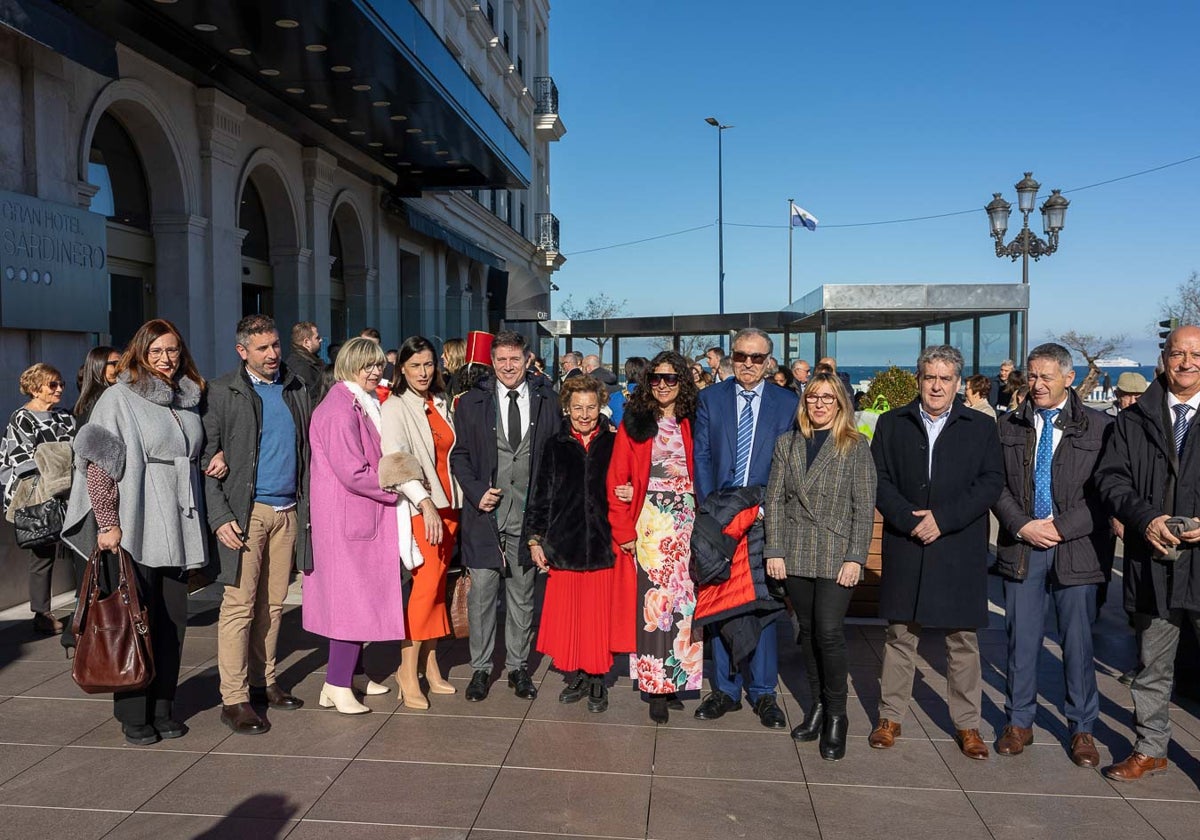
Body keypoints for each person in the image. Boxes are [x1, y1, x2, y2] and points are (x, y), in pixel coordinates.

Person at [62, 319, 210, 746]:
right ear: (140, 352)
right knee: (133, 618)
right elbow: (98, 465)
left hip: (180, 521)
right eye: (157, 351)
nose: (166, 359)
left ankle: (163, 706)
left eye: (173, 351)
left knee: (171, 621)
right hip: (138, 520)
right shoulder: (118, 397)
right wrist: (107, 523)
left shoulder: (187, 397)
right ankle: (133, 713)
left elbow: (192, 448)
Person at [868, 344, 1003, 760]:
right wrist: (911, 520)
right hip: (907, 542)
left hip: (956, 544)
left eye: (946, 379)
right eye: (931, 378)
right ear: (919, 380)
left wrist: (942, 519)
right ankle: (890, 717)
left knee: (962, 641)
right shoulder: (892, 423)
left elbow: (990, 482)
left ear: (958, 383)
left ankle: (967, 725)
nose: (937, 386)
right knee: (900, 636)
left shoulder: (979, 426)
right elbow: (879, 479)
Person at [992, 343, 1113, 767]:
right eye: (1032, 376)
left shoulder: (1099, 427)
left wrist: (1060, 527)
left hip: (1077, 549)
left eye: (1046, 377)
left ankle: (1082, 729)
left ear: (1069, 378)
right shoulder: (1009, 424)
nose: (1037, 385)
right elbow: (995, 483)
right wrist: (1022, 525)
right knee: (1019, 640)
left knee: (1077, 644)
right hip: (1023, 545)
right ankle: (1018, 722)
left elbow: (1105, 494)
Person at [1096, 325, 1200, 781]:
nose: (1186, 362)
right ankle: (1151, 747)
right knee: (1152, 667)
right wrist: (1146, 518)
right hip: (1154, 561)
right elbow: (1110, 480)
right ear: (1164, 359)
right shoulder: (1133, 420)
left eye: (1195, 353)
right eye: (1177, 353)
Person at [204, 315, 313, 735]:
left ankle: (263, 682)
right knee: (238, 607)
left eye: (275, 345)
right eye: (262, 347)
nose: (272, 354)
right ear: (242, 351)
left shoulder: (295, 388)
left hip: (288, 513)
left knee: (273, 605)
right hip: (244, 515)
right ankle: (233, 698)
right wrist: (220, 517)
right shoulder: (221, 392)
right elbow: (206, 459)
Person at [764, 372, 876, 760]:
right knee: (807, 632)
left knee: (829, 633)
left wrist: (855, 558)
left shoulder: (855, 446)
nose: (820, 404)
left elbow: (864, 510)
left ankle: (837, 716)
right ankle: (815, 706)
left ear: (841, 403)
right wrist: (774, 549)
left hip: (835, 552)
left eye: (829, 398)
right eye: (813, 397)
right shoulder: (787, 443)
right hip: (795, 551)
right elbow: (774, 500)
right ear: (804, 402)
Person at [692, 327, 800, 729]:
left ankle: (763, 692)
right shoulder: (710, 398)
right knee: (721, 600)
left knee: (763, 605)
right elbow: (702, 453)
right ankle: (724, 689)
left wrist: (766, 507)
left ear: (769, 361)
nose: (749, 364)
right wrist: (711, 509)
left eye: (757, 358)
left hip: (764, 514)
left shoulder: (788, 402)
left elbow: (790, 462)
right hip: (719, 517)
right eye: (741, 356)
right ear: (729, 358)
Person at [450, 330, 560, 702]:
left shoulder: (548, 400)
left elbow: (557, 457)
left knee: (523, 596)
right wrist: (477, 491)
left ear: (527, 359)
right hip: (486, 516)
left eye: (515, 359)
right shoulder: (471, 402)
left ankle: (517, 667)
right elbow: (459, 455)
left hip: (528, 516)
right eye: (501, 360)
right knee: (481, 595)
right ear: (491, 361)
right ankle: (480, 669)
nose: (508, 366)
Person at [303, 337, 404, 715]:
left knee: (358, 603)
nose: (376, 370)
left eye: (378, 364)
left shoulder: (356, 402)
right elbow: (353, 472)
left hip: (357, 518)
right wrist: (396, 489)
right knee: (350, 605)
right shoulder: (339, 409)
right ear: (349, 366)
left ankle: (349, 677)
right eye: (368, 365)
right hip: (348, 521)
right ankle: (337, 683)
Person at [608, 351, 702, 724]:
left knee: (686, 603)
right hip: (649, 522)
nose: (663, 385)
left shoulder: (695, 421)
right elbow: (617, 479)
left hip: (688, 522)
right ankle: (655, 686)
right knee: (655, 605)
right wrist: (622, 529)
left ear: (682, 381)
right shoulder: (636, 422)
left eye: (670, 378)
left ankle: (679, 678)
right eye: (656, 378)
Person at [527, 376, 623, 713]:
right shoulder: (554, 445)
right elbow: (541, 494)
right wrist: (535, 539)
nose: (584, 414)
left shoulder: (615, 443)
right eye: (578, 407)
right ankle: (580, 673)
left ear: (601, 407)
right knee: (572, 617)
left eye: (591, 407)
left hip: (602, 544)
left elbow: (629, 483)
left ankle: (598, 678)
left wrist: (627, 491)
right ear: (567, 407)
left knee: (598, 616)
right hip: (564, 544)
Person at [380, 336, 462, 710]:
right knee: (425, 588)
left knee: (437, 589)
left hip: (451, 507)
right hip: (423, 509)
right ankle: (406, 671)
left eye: (429, 364)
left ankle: (430, 667)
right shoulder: (396, 406)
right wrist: (425, 502)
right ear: (402, 369)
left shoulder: (439, 402)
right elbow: (396, 462)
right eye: (415, 365)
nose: (424, 372)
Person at [1, 364, 78, 634]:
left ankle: (88, 604)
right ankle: (41, 612)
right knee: (42, 552)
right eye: (52, 385)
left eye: (60, 384)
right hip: (39, 496)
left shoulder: (64, 417)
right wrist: (58, 457)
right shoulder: (22, 418)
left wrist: (53, 455)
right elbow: (23, 461)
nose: (59, 389)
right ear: (35, 388)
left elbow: (75, 450)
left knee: (80, 547)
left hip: (70, 492)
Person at [74, 346, 121, 423]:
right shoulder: (107, 395)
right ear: (99, 365)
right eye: (116, 363)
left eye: (123, 364)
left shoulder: (87, 398)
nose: (121, 368)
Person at [285, 321, 325, 398]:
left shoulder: (310, 361)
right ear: (307, 342)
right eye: (317, 338)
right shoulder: (301, 367)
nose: (321, 340)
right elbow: (312, 398)